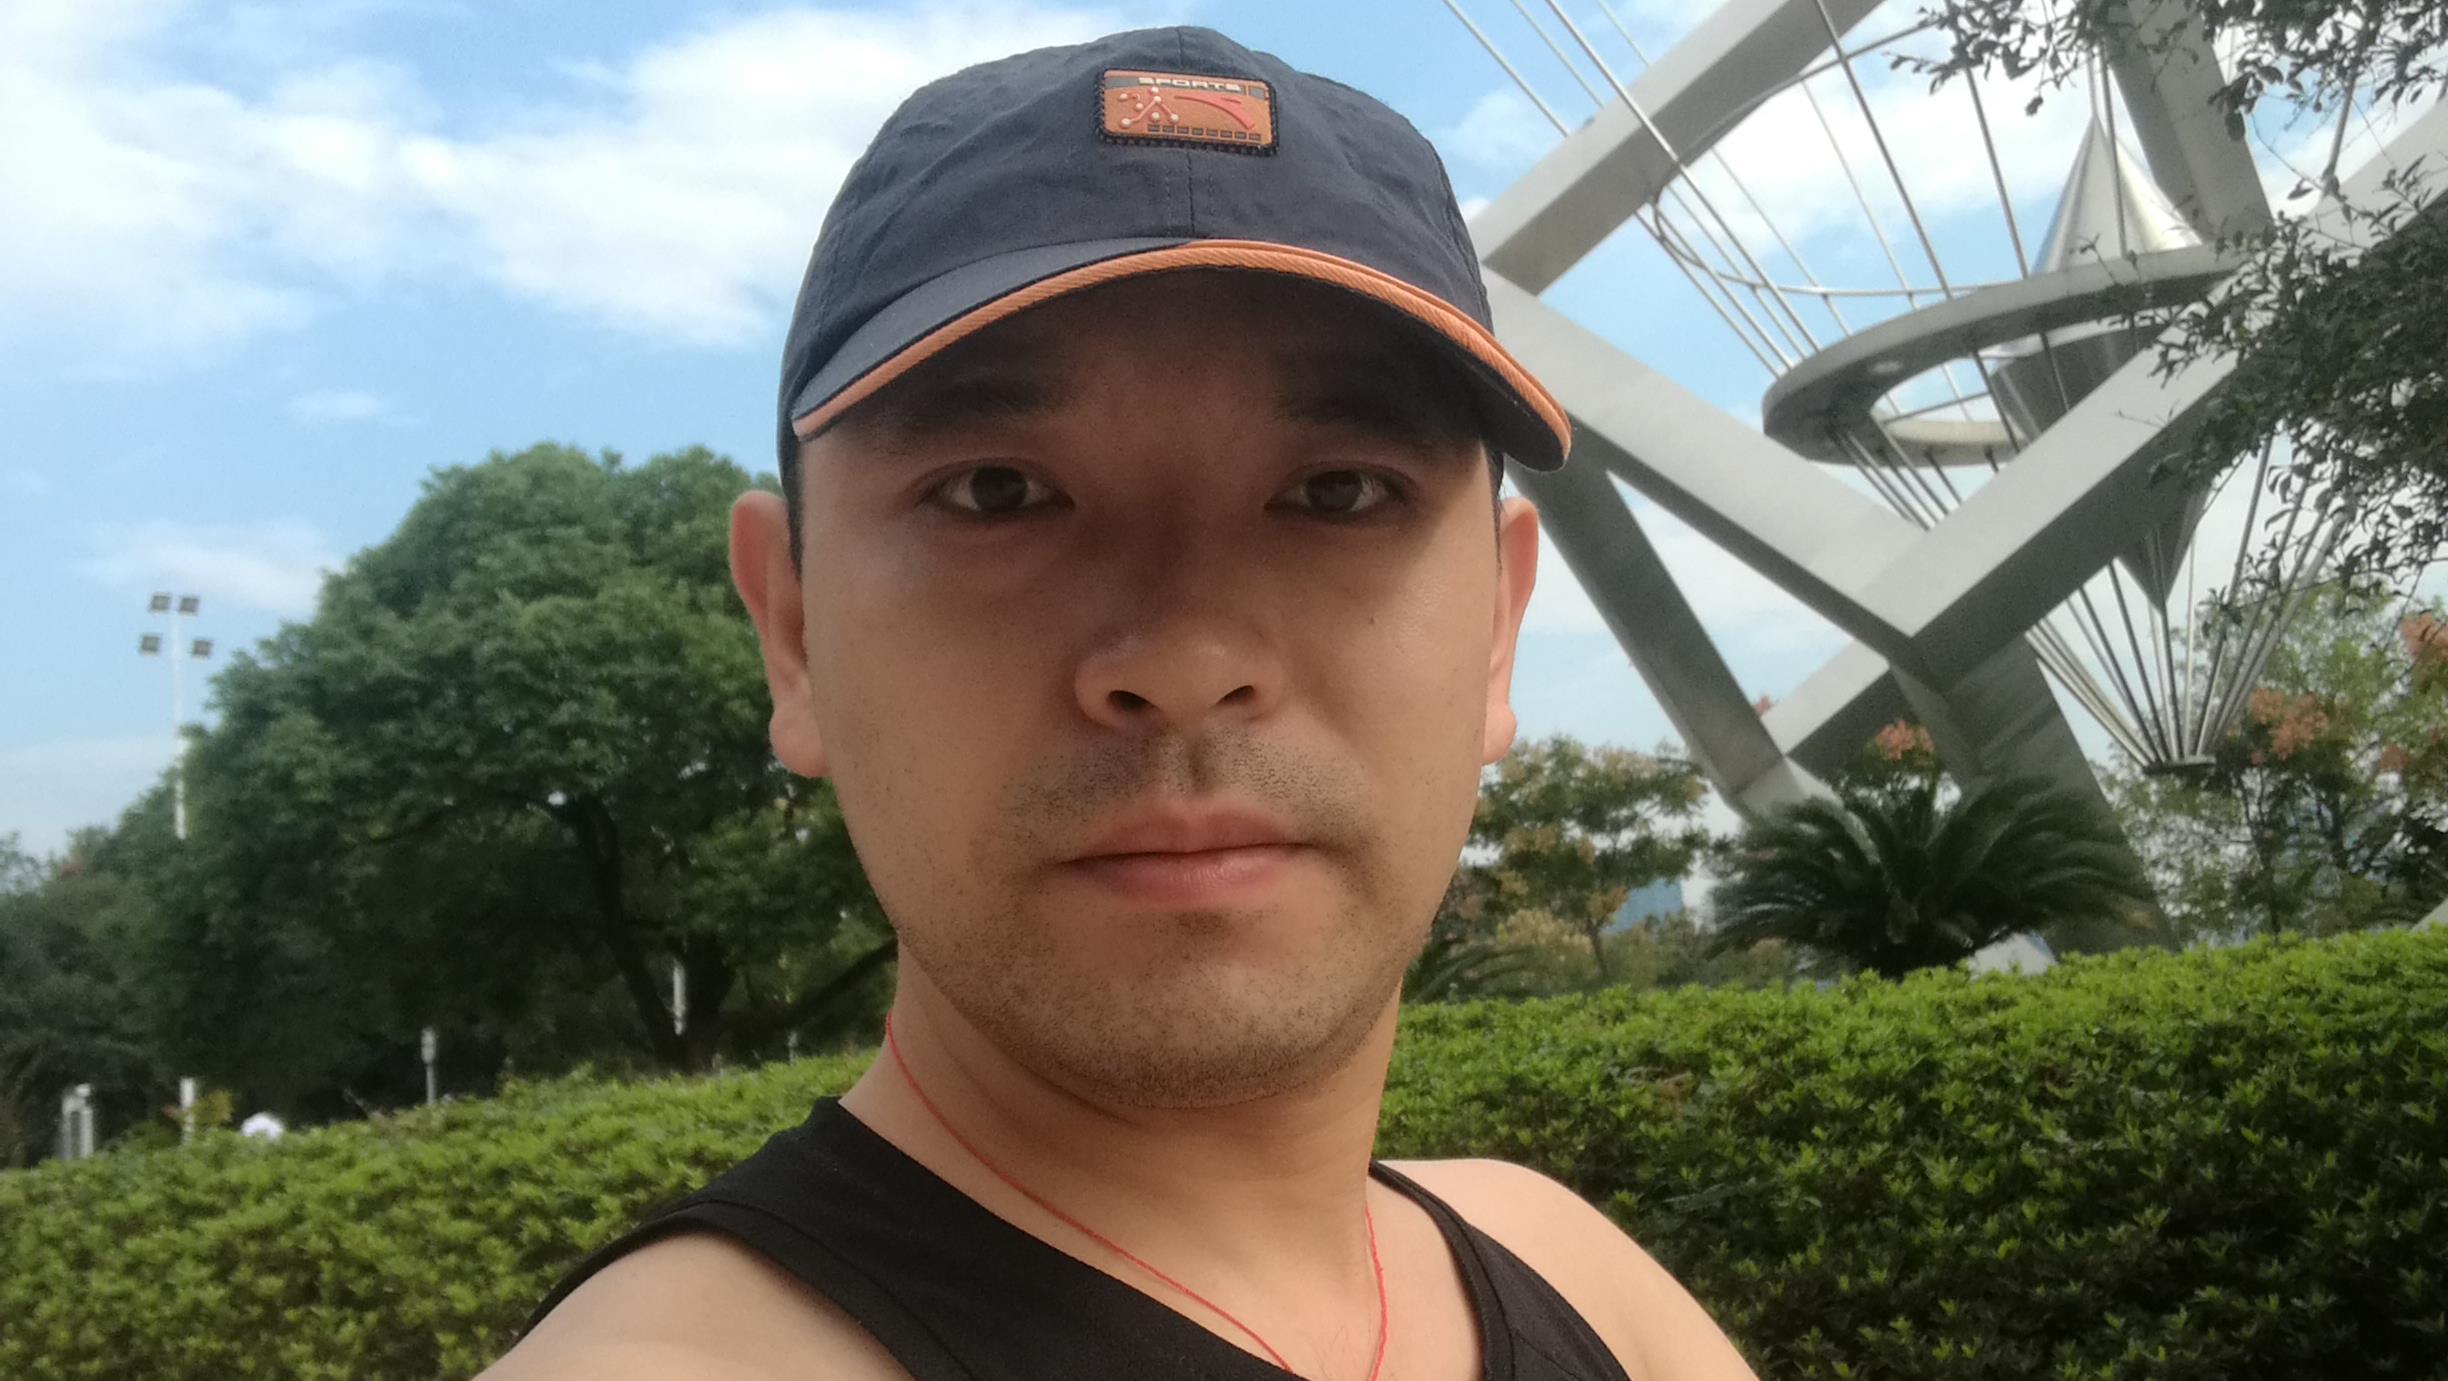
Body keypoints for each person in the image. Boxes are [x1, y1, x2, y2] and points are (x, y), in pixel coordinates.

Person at [484, 24, 1757, 1381]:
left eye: (1339, 492)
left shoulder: (1569, 1270)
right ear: (793, 635)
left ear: (1498, 632)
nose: (1187, 657)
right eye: (998, 493)